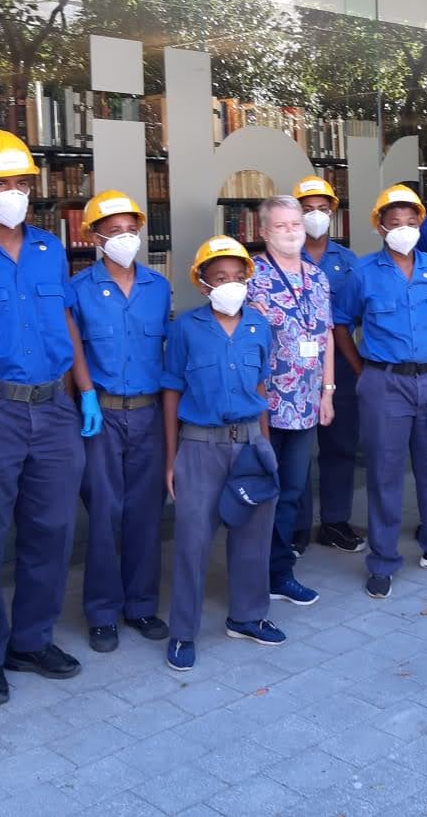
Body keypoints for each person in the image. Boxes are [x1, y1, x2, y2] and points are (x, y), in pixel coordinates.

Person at [0, 129, 104, 708]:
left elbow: (66, 322)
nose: (14, 192)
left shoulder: (49, 250)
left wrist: (84, 390)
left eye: (21, 183)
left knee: (52, 529)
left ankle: (31, 640)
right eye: (2, 183)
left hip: (55, 407)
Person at [334, 185, 427, 598]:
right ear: (379, 227)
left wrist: (425, 352)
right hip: (383, 382)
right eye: (395, 223)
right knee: (384, 473)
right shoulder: (362, 273)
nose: (404, 229)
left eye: (411, 222)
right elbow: (341, 322)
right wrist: (364, 370)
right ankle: (382, 561)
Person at [162, 236, 284, 671]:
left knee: (253, 535)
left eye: (237, 277)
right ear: (203, 284)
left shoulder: (259, 325)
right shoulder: (185, 328)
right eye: (219, 278)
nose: (230, 285)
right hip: (199, 446)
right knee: (193, 541)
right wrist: (170, 458)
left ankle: (248, 616)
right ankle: (182, 632)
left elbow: (261, 388)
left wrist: (265, 446)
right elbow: (172, 392)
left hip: (250, 442)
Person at [69, 190, 171, 654]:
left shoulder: (158, 286)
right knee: (106, 513)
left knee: (145, 515)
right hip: (102, 415)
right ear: (94, 237)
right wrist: (86, 396)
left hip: (149, 413)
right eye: (114, 231)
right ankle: (103, 612)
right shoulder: (77, 290)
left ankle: (142, 604)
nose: (125, 238)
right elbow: (73, 352)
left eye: (131, 230)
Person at [246, 195, 335, 609]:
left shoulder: (318, 278)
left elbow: (327, 336)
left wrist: (328, 392)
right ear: (263, 232)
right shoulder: (251, 278)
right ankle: (253, 571)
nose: (291, 231)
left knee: (293, 490)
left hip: (306, 404)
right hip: (265, 404)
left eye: (296, 224)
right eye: (280, 226)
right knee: (264, 489)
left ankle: (279, 573)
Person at [290, 176, 364, 555]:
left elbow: (351, 320)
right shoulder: (283, 257)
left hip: (342, 369)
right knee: (298, 450)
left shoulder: (349, 263)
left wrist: (357, 368)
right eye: (307, 208)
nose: (315, 215)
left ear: (333, 212)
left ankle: (334, 521)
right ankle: (297, 526)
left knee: (340, 446)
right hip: (294, 371)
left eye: (322, 208)